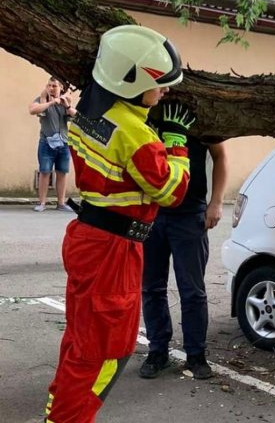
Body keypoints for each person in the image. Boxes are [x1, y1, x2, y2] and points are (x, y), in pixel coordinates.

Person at [44, 25, 194, 423]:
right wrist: (177, 144)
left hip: (90, 238)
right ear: (130, 81)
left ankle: (58, 411)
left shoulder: (91, 109)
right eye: (160, 84)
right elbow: (172, 191)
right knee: (107, 351)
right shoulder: (137, 136)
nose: (166, 92)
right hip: (114, 251)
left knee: (80, 342)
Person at [139, 123, 227, 380]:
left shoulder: (197, 112)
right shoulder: (145, 110)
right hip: (151, 213)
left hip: (190, 215)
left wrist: (217, 202)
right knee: (151, 288)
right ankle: (157, 352)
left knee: (192, 290)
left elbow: (220, 154)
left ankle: (196, 355)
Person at [28, 76, 77, 212]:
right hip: (46, 142)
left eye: (54, 86)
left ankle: (61, 203)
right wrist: (51, 103)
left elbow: (76, 116)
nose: (51, 88)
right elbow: (32, 110)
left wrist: (66, 104)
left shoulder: (65, 101)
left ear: (60, 88)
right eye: (49, 85)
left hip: (64, 143)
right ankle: (42, 203)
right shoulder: (41, 100)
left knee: (62, 173)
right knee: (45, 172)